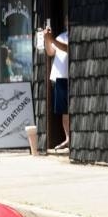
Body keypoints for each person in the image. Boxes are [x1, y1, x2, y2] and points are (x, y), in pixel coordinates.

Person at [43, 22, 70, 150]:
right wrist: (46, 39)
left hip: (70, 77)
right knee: (64, 111)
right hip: (59, 77)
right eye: (66, 20)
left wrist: (52, 39)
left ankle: (71, 138)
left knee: (70, 109)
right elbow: (50, 52)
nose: (67, 22)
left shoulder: (71, 36)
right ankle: (68, 138)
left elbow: (67, 48)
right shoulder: (61, 36)